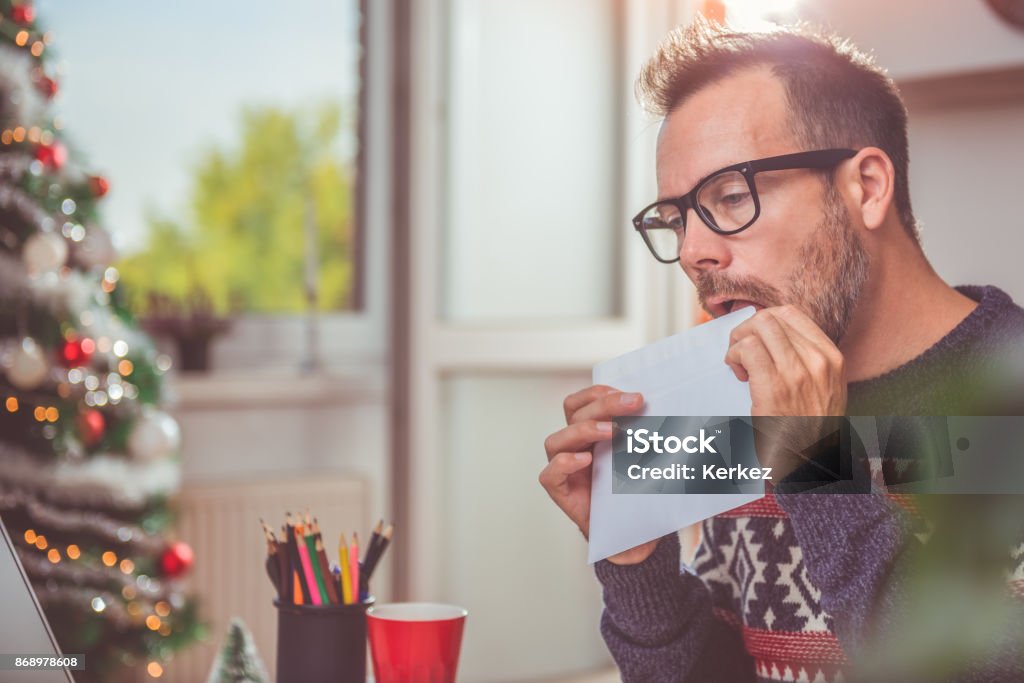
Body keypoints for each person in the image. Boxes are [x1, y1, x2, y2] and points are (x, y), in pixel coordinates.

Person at [539, 17, 1024, 683]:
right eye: (677, 218)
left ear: (867, 187)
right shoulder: (735, 403)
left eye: (731, 195)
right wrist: (637, 562)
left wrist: (815, 467)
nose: (692, 252)